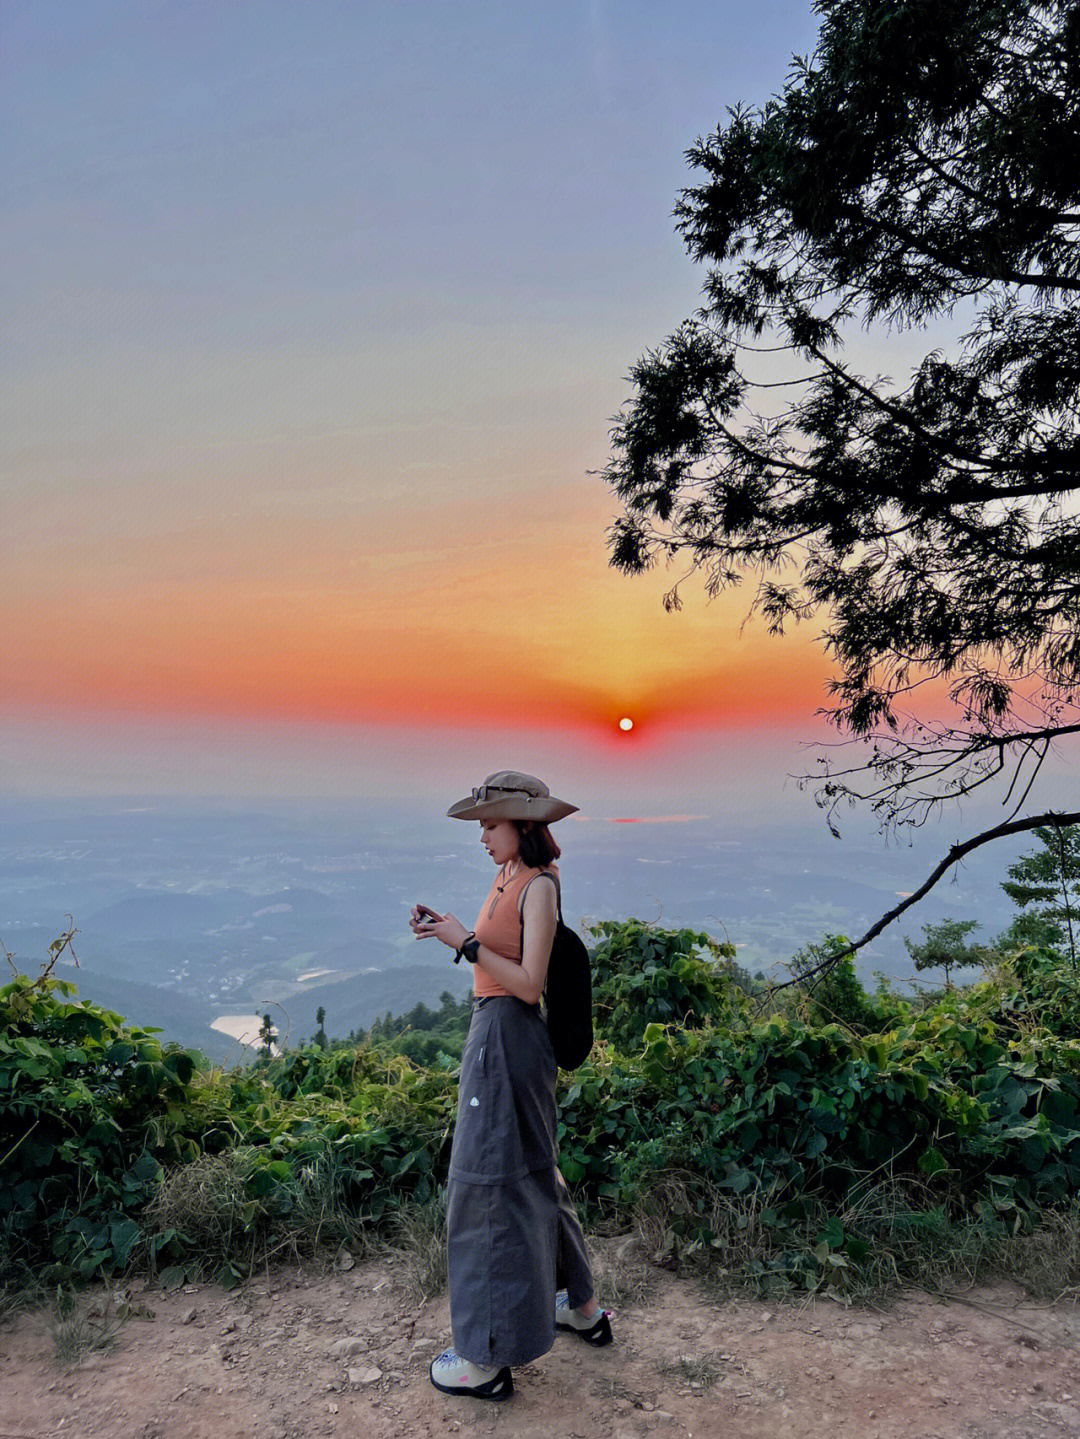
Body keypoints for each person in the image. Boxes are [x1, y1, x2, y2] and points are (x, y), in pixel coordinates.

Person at [410, 770, 612, 1402]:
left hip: (506, 1038)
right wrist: (451, 926)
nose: (482, 837)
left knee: (485, 1184)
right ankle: (580, 1306)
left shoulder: (539, 889)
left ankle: (485, 1359)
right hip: (500, 1037)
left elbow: (528, 984)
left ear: (524, 825)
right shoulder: (509, 878)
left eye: (490, 825)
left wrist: (462, 942)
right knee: (533, 1172)